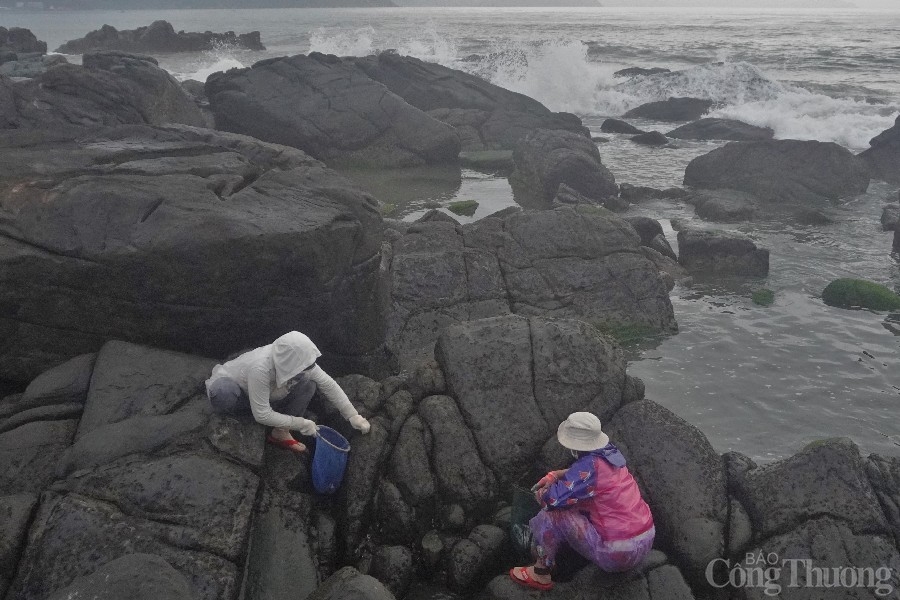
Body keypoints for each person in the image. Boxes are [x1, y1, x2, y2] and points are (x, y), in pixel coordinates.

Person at [510, 412, 655, 591]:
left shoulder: (589, 468)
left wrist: (540, 494)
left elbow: (551, 501)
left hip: (618, 553)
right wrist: (556, 474)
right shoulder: (610, 454)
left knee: (553, 514)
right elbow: (586, 476)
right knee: (584, 507)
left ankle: (541, 573)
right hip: (645, 540)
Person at [205, 330, 370, 452]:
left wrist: (352, 415)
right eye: (308, 365)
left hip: (268, 394)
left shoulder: (302, 363)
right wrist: (300, 423)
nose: (311, 367)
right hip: (240, 394)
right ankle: (242, 418)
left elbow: (328, 384)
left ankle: (280, 432)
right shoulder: (260, 368)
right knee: (223, 393)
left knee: (308, 384)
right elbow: (261, 414)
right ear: (291, 363)